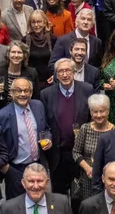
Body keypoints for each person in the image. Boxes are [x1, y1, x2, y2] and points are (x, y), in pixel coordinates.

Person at [40, 58, 95, 196]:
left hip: (81, 153)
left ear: (74, 71)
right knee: (59, 196)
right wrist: (47, 138)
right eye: (61, 71)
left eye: (68, 70)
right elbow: (44, 122)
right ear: (56, 75)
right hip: (58, 154)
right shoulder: (46, 94)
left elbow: (92, 118)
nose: (65, 74)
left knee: (80, 195)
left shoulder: (87, 89)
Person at [0, 78, 51, 199]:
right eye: (18, 91)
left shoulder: (38, 106)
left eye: (26, 90)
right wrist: (7, 169)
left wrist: (48, 139)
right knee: (17, 209)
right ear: (12, 93)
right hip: (16, 169)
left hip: (39, 165)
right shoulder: (1, 116)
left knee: (41, 202)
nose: (23, 94)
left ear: (31, 92)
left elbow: (46, 129)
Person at [72, 94, 114, 214]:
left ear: (108, 111)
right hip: (87, 181)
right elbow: (76, 152)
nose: (99, 115)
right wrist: (88, 168)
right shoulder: (85, 129)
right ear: (90, 112)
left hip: (109, 181)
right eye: (95, 111)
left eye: (102, 111)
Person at [0, 41, 39, 113]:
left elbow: (36, 96)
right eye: (13, 52)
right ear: (8, 54)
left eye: (19, 52)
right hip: (3, 113)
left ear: (24, 55)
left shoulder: (31, 72)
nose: (16, 55)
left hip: (25, 112)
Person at [24, 10, 55, 77]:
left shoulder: (53, 39)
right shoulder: (25, 40)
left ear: (44, 23)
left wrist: (54, 75)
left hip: (49, 79)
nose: (36, 25)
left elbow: (56, 61)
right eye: (33, 22)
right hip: (30, 78)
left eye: (39, 22)